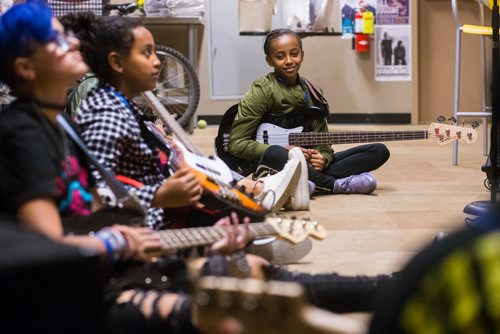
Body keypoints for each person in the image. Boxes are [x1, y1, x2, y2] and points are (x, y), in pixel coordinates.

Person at [228, 28, 390, 196]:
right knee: (276, 153)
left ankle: (305, 182)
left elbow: (322, 141)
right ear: (269, 60)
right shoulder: (261, 90)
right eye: (280, 56)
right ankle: (336, 185)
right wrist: (284, 150)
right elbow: (236, 143)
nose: (289, 61)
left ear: (302, 55)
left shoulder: (313, 90)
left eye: (294, 53)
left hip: (306, 163)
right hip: (274, 162)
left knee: (378, 151)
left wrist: (323, 158)